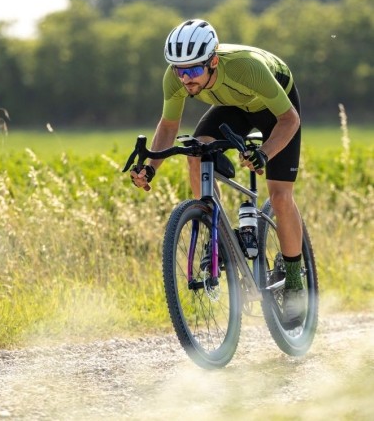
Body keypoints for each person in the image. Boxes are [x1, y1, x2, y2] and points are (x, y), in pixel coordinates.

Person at [130, 18, 305, 328]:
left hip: (275, 108)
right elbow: (169, 125)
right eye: (178, 70)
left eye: (193, 70)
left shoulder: (245, 67)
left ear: (212, 61)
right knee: (196, 152)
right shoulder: (176, 78)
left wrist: (265, 153)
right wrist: (151, 167)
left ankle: (294, 281)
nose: (185, 78)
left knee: (279, 195)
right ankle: (216, 230)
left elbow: (289, 120)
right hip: (234, 106)